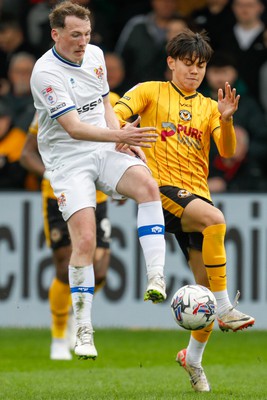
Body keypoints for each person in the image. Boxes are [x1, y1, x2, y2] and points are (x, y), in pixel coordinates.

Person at [114, 28, 255, 392]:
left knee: (202, 291)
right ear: (171, 62)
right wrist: (124, 133)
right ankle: (226, 307)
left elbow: (226, 151)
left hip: (195, 195)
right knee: (216, 220)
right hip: (159, 190)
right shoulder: (150, 91)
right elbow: (115, 114)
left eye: (201, 66)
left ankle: (192, 359)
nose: (194, 71)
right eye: (188, 64)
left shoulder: (209, 107)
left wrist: (225, 119)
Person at [30, 1, 167, 360]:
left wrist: (121, 134)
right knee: (86, 240)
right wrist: (121, 137)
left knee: (147, 187)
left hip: (103, 145)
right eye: (75, 35)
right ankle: (83, 329)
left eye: (87, 34)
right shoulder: (45, 73)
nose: (82, 41)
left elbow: (104, 104)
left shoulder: (95, 55)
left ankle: (156, 277)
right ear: (55, 34)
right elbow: (74, 128)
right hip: (67, 160)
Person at [20, 111, 112, 360]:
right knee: (64, 267)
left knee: (100, 271)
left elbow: (113, 146)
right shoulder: (49, 107)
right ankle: (59, 338)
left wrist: (117, 183)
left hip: (97, 196)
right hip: (57, 195)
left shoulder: (106, 102)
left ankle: (76, 311)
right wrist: (51, 174)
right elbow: (26, 154)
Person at [201, 51, 267, 192]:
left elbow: (263, 139)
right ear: (206, 73)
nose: (219, 77)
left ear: (235, 73)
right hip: (206, 172)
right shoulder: (198, 103)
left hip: (245, 174)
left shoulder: (248, 104)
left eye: (225, 72)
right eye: (215, 72)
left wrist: (244, 147)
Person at [114, 0, 180, 88]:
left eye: (171, 0)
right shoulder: (137, 25)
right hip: (134, 90)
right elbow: (118, 60)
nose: (166, 3)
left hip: (169, 92)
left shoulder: (183, 28)